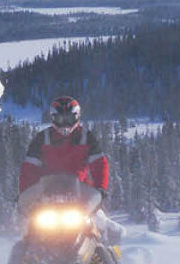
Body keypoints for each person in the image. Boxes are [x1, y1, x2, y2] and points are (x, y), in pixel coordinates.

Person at [19, 96, 123, 244]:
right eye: (60, 118)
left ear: (77, 117)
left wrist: (100, 189)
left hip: (82, 198)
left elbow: (100, 165)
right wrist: (26, 194)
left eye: (68, 118)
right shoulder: (42, 139)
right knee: (28, 239)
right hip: (47, 200)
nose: (64, 123)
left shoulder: (87, 138)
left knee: (100, 233)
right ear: (53, 118)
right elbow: (29, 169)